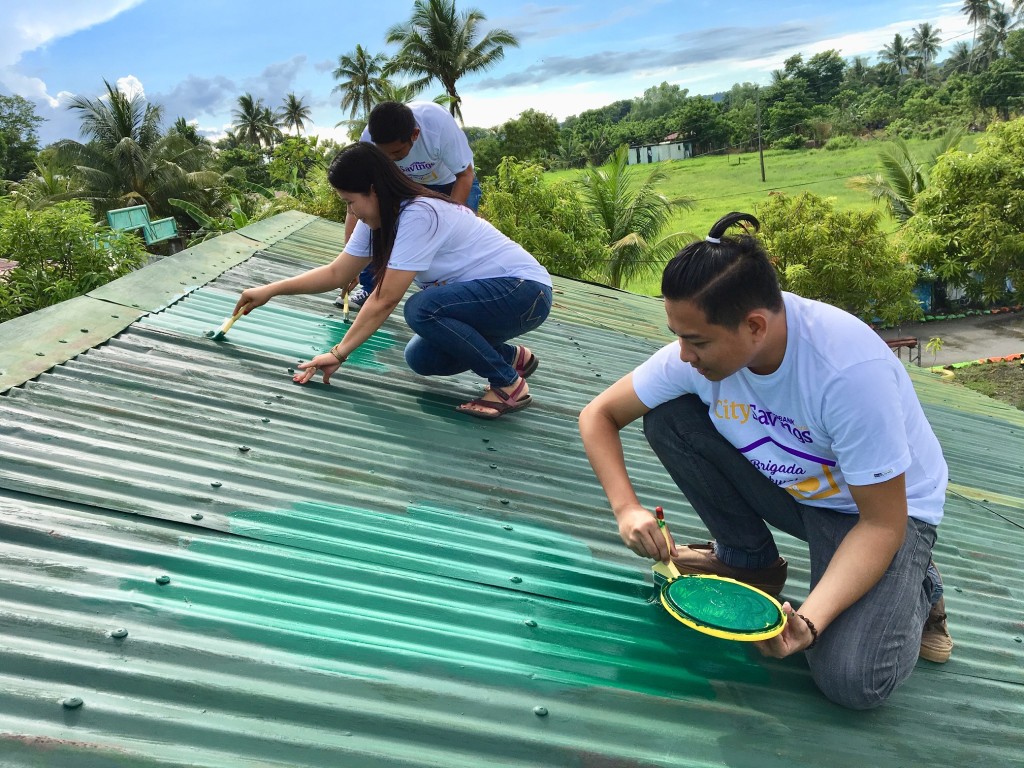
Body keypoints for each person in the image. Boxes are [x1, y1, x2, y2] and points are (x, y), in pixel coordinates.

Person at [578, 212, 953, 710]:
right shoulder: (704, 352)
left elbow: (882, 524)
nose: (684, 355)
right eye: (679, 336)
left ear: (755, 325)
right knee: (668, 418)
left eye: (697, 340)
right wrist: (627, 509)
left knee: (852, 680)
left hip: (880, 514)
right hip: (799, 489)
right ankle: (747, 561)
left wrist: (809, 623)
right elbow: (598, 415)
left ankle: (921, 581)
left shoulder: (846, 372)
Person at [234, 142, 551, 418]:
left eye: (350, 201)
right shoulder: (376, 221)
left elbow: (385, 298)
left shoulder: (419, 213)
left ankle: (507, 383)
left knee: (421, 310)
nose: (351, 211)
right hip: (496, 301)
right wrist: (269, 290)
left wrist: (339, 352)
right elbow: (337, 273)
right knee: (421, 357)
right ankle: (511, 357)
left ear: (373, 190)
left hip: (524, 292)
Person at [337, 100, 482, 310]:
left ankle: (452, 301)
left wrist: (447, 221)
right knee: (380, 223)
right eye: (383, 154)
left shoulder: (438, 125)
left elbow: (465, 174)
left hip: (452, 180)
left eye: (396, 153)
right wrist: (349, 267)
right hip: (407, 182)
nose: (390, 158)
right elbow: (360, 203)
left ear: (414, 134)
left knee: (456, 242)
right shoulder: (368, 141)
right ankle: (369, 288)